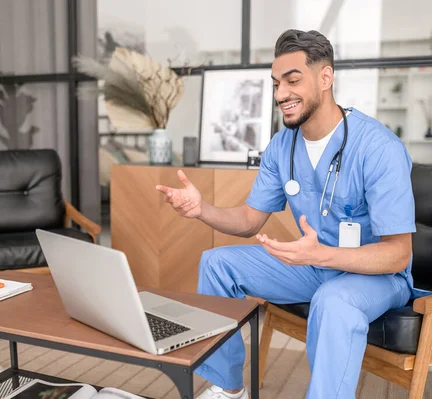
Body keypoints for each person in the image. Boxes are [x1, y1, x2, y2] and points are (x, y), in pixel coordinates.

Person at [155, 29, 416, 399]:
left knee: (334, 299)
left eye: (293, 81)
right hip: (313, 264)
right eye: (276, 83)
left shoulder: (378, 148)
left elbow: (398, 254)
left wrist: (321, 254)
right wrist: (202, 210)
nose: (280, 95)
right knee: (216, 264)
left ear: (325, 78)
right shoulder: (282, 146)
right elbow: (248, 221)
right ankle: (227, 388)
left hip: (376, 276)